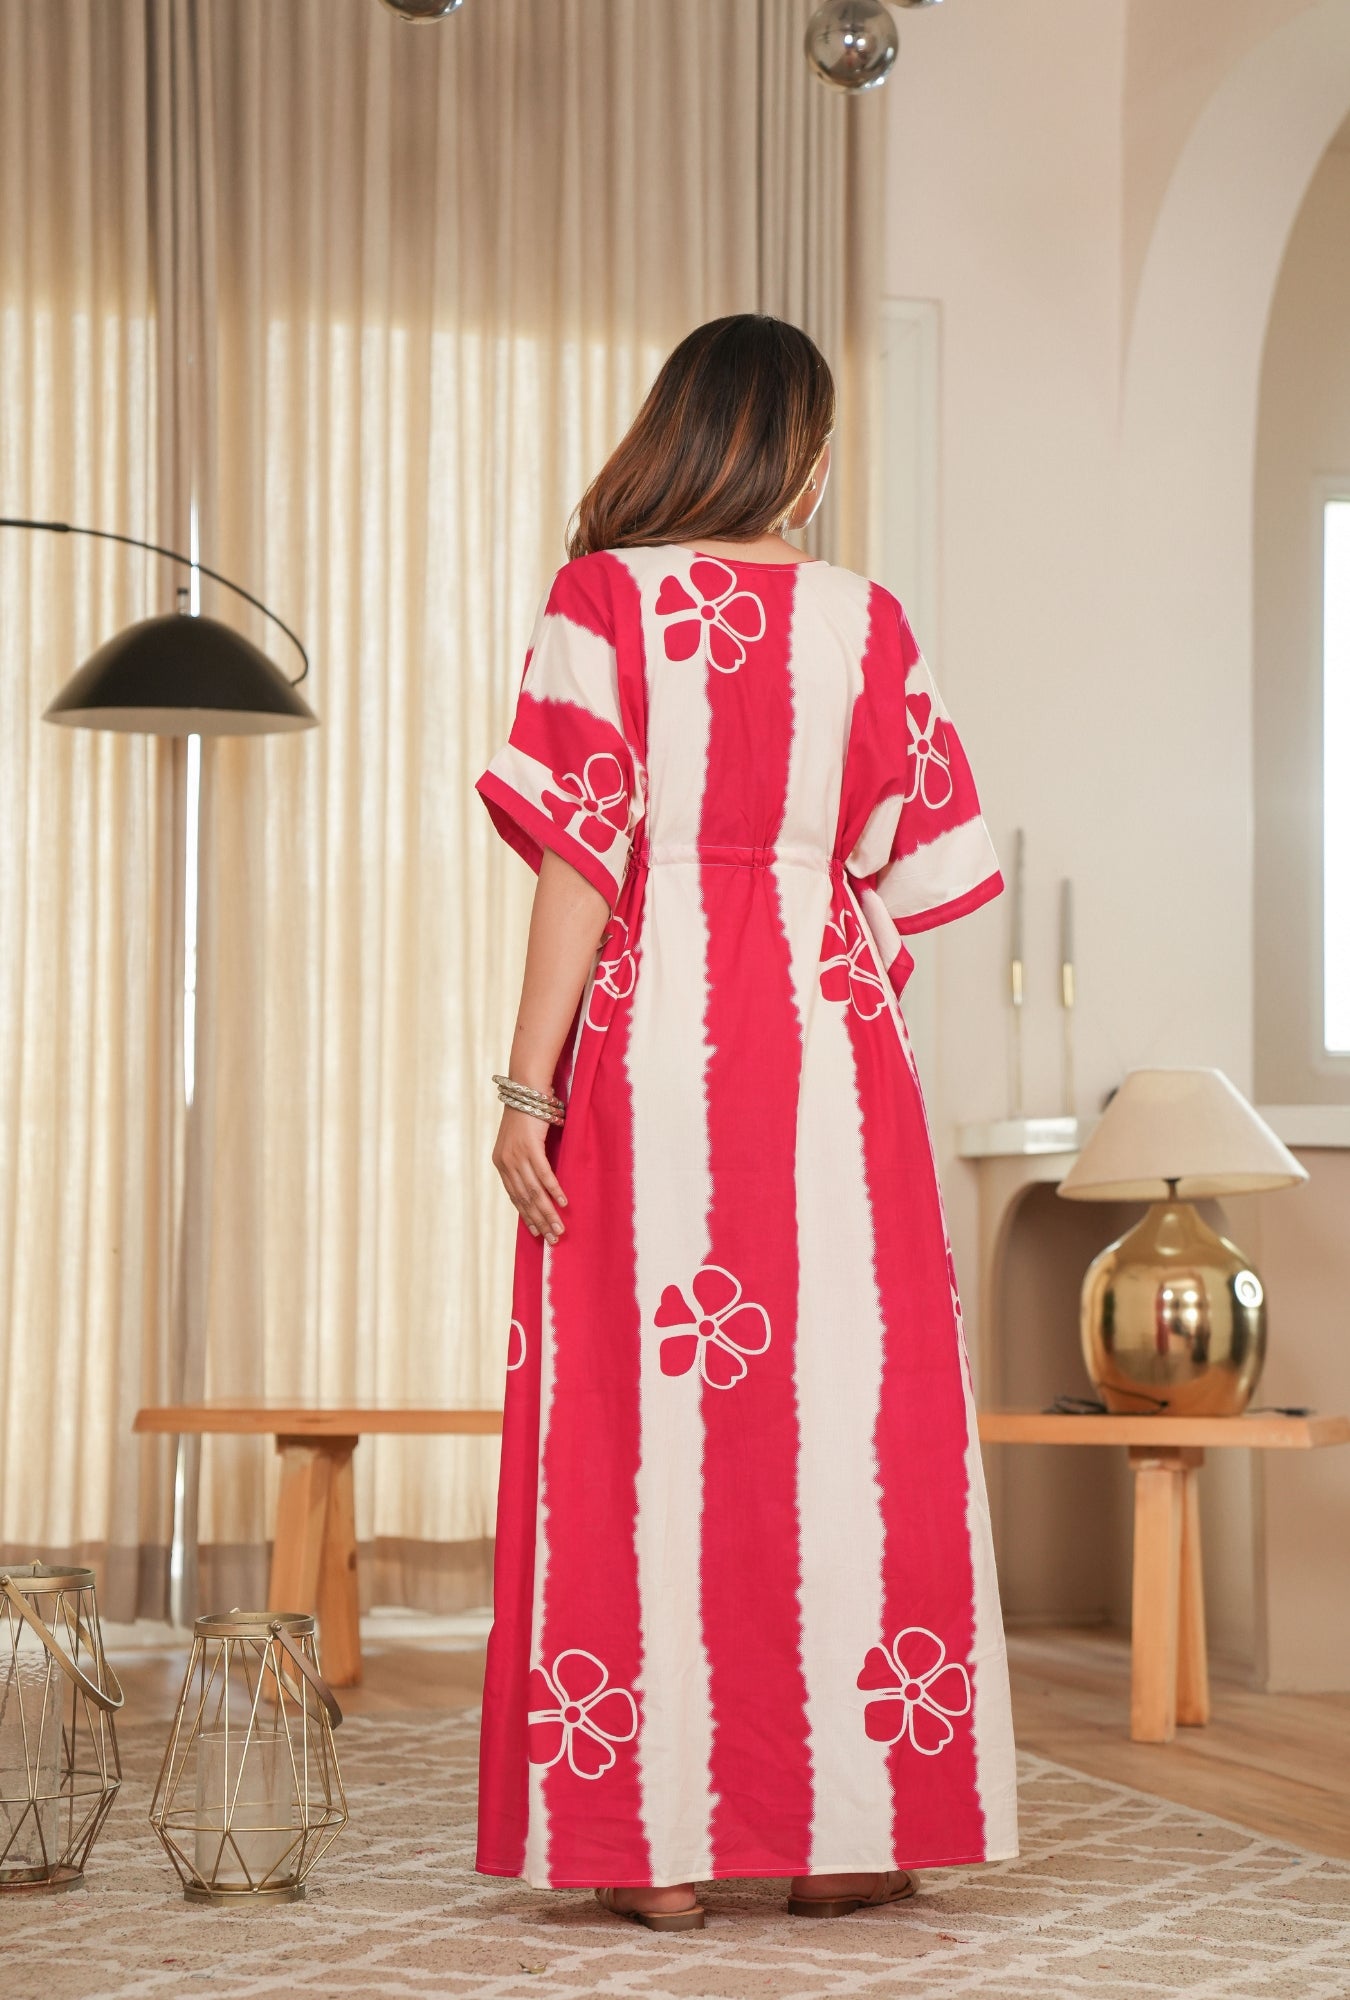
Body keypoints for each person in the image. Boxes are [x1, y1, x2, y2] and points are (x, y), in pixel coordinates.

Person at [473, 312, 1018, 1933]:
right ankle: (849, 1827)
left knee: (639, 1427)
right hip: (830, 1046)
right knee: (851, 1418)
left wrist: (527, 1084)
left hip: (652, 1039)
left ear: (678, 431)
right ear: (806, 457)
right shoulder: (866, 619)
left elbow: (582, 853)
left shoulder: (601, 600)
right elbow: (910, 871)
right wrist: (812, 945)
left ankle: (653, 1845)